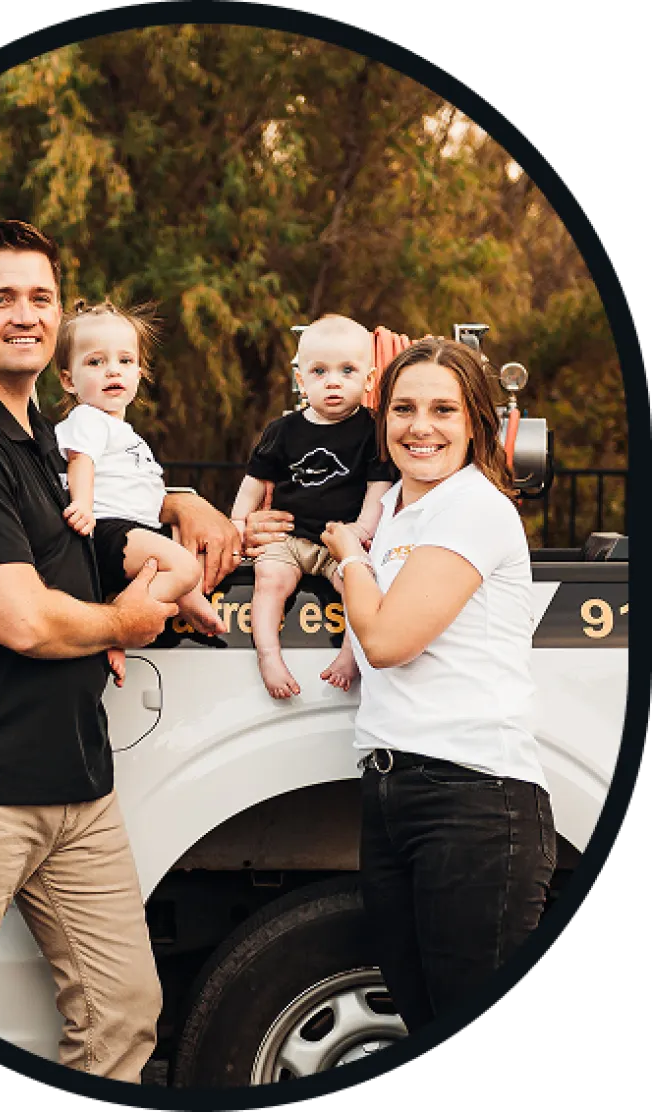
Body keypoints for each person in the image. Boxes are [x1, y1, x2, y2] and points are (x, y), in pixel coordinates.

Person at [0, 219, 241, 1083]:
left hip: (77, 788)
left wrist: (177, 504)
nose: (25, 315)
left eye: (39, 297)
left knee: (122, 1015)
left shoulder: (38, 434)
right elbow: (23, 619)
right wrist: (127, 622)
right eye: (0, 298)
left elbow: (72, 538)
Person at [315, 335, 556, 1033]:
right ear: (381, 417)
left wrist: (347, 560)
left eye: (443, 409)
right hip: (394, 792)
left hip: (475, 801)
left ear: (477, 422)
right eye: (404, 408)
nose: (420, 426)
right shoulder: (395, 508)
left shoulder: (473, 508)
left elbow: (386, 641)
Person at [53, 298, 226, 685]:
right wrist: (81, 504)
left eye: (125, 361)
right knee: (183, 565)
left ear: (140, 371)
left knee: (185, 537)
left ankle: (187, 596)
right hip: (107, 529)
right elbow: (81, 461)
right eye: (96, 362)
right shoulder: (88, 418)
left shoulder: (126, 433)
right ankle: (118, 624)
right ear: (68, 380)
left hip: (135, 527)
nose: (113, 370)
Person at [229, 314, 395, 698]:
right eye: (319, 371)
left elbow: (378, 486)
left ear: (368, 381)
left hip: (340, 539)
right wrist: (238, 520)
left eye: (347, 370)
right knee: (269, 582)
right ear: (301, 380)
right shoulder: (282, 430)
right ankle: (269, 655)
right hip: (289, 536)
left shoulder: (372, 431)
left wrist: (362, 531)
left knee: (357, 587)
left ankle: (350, 654)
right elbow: (256, 480)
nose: (333, 381)